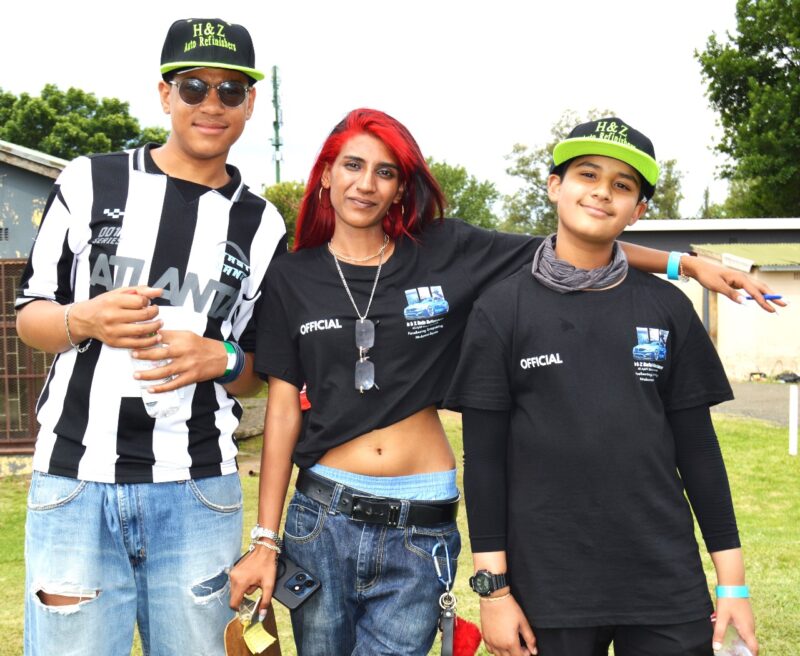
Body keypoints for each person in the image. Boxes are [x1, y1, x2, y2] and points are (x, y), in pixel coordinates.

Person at [228, 108, 776, 655]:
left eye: (386, 171)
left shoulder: (444, 251)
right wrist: (265, 539)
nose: (366, 184)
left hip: (422, 518)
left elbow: (570, 245)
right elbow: (281, 407)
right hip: (323, 514)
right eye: (351, 165)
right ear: (325, 173)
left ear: (401, 188)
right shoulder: (291, 276)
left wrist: (684, 266)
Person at [15, 18, 286, 655]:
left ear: (250, 102)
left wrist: (218, 358)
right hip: (74, 481)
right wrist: (82, 320)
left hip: (197, 488)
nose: (210, 104)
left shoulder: (261, 221)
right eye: (194, 87)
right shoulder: (90, 181)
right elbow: (30, 316)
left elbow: (259, 369)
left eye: (229, 90)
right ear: (166, 94)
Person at [446, 117, 761, 656]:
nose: (601, 191)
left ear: (638, 209)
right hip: (549, 584)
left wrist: (732, 583)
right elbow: (485, 462)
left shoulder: (667, 308)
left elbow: (700, 454)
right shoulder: (502, 309)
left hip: (663, 581)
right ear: (554, 186)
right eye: (587, 174)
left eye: (623, 185)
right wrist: (493, 591)